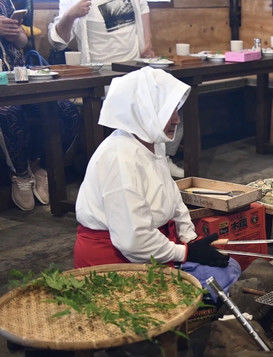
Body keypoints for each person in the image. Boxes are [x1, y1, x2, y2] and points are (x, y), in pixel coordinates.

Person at [73, 67, 240, 295]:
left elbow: (172, 196)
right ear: (145, 111)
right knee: (214, 281)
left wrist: (189, 238)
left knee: (228, 268)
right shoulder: (120, 157)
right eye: (168, 111)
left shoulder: (152, 142)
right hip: (116, 263)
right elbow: (132, 241)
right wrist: (185, 253)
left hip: (151, 248)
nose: (176, 119)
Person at [48, 0, 186, 178]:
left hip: (135, 71)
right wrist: (70, 15)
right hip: (100, 78)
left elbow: (143, 9)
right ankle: (120, 172)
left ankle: (162, 157)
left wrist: (147, 47)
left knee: (175, 96)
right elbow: (58, 42)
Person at [0, 0, 80, 211]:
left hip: (19, 78)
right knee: (10, 112)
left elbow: (23, 42)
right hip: (2, 91)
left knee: (67, 109)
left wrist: (17, 34)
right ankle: (21, 174)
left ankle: (41, 167)